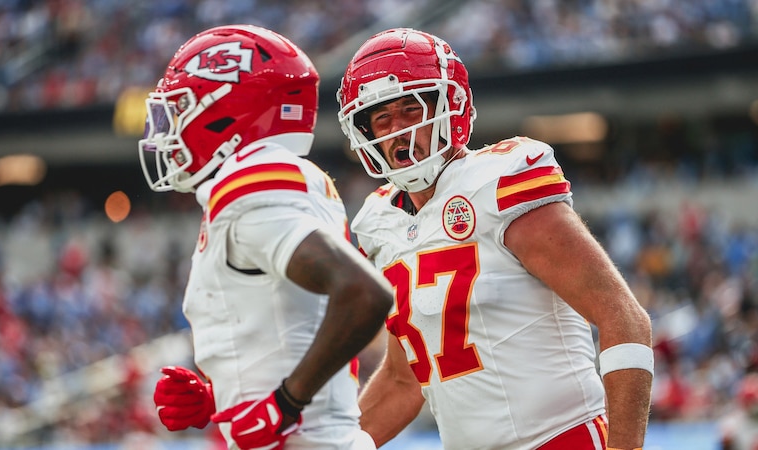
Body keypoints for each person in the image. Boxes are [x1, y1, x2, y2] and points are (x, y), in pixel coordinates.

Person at [336, 28, 654, 450]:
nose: (398, 129)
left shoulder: (499, 182)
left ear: (450, 107)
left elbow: (624, 318)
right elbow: (403, 379)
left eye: (411, 109)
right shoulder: (380, 223)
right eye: (381, 117)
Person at [139, 25, 393, 450]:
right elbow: (295, 321)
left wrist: (285, 402)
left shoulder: (251, 184)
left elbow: (362, 293)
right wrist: (224, 393)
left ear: (226, 110)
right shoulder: (273, 180)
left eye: (181, 109)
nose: (169, 128)